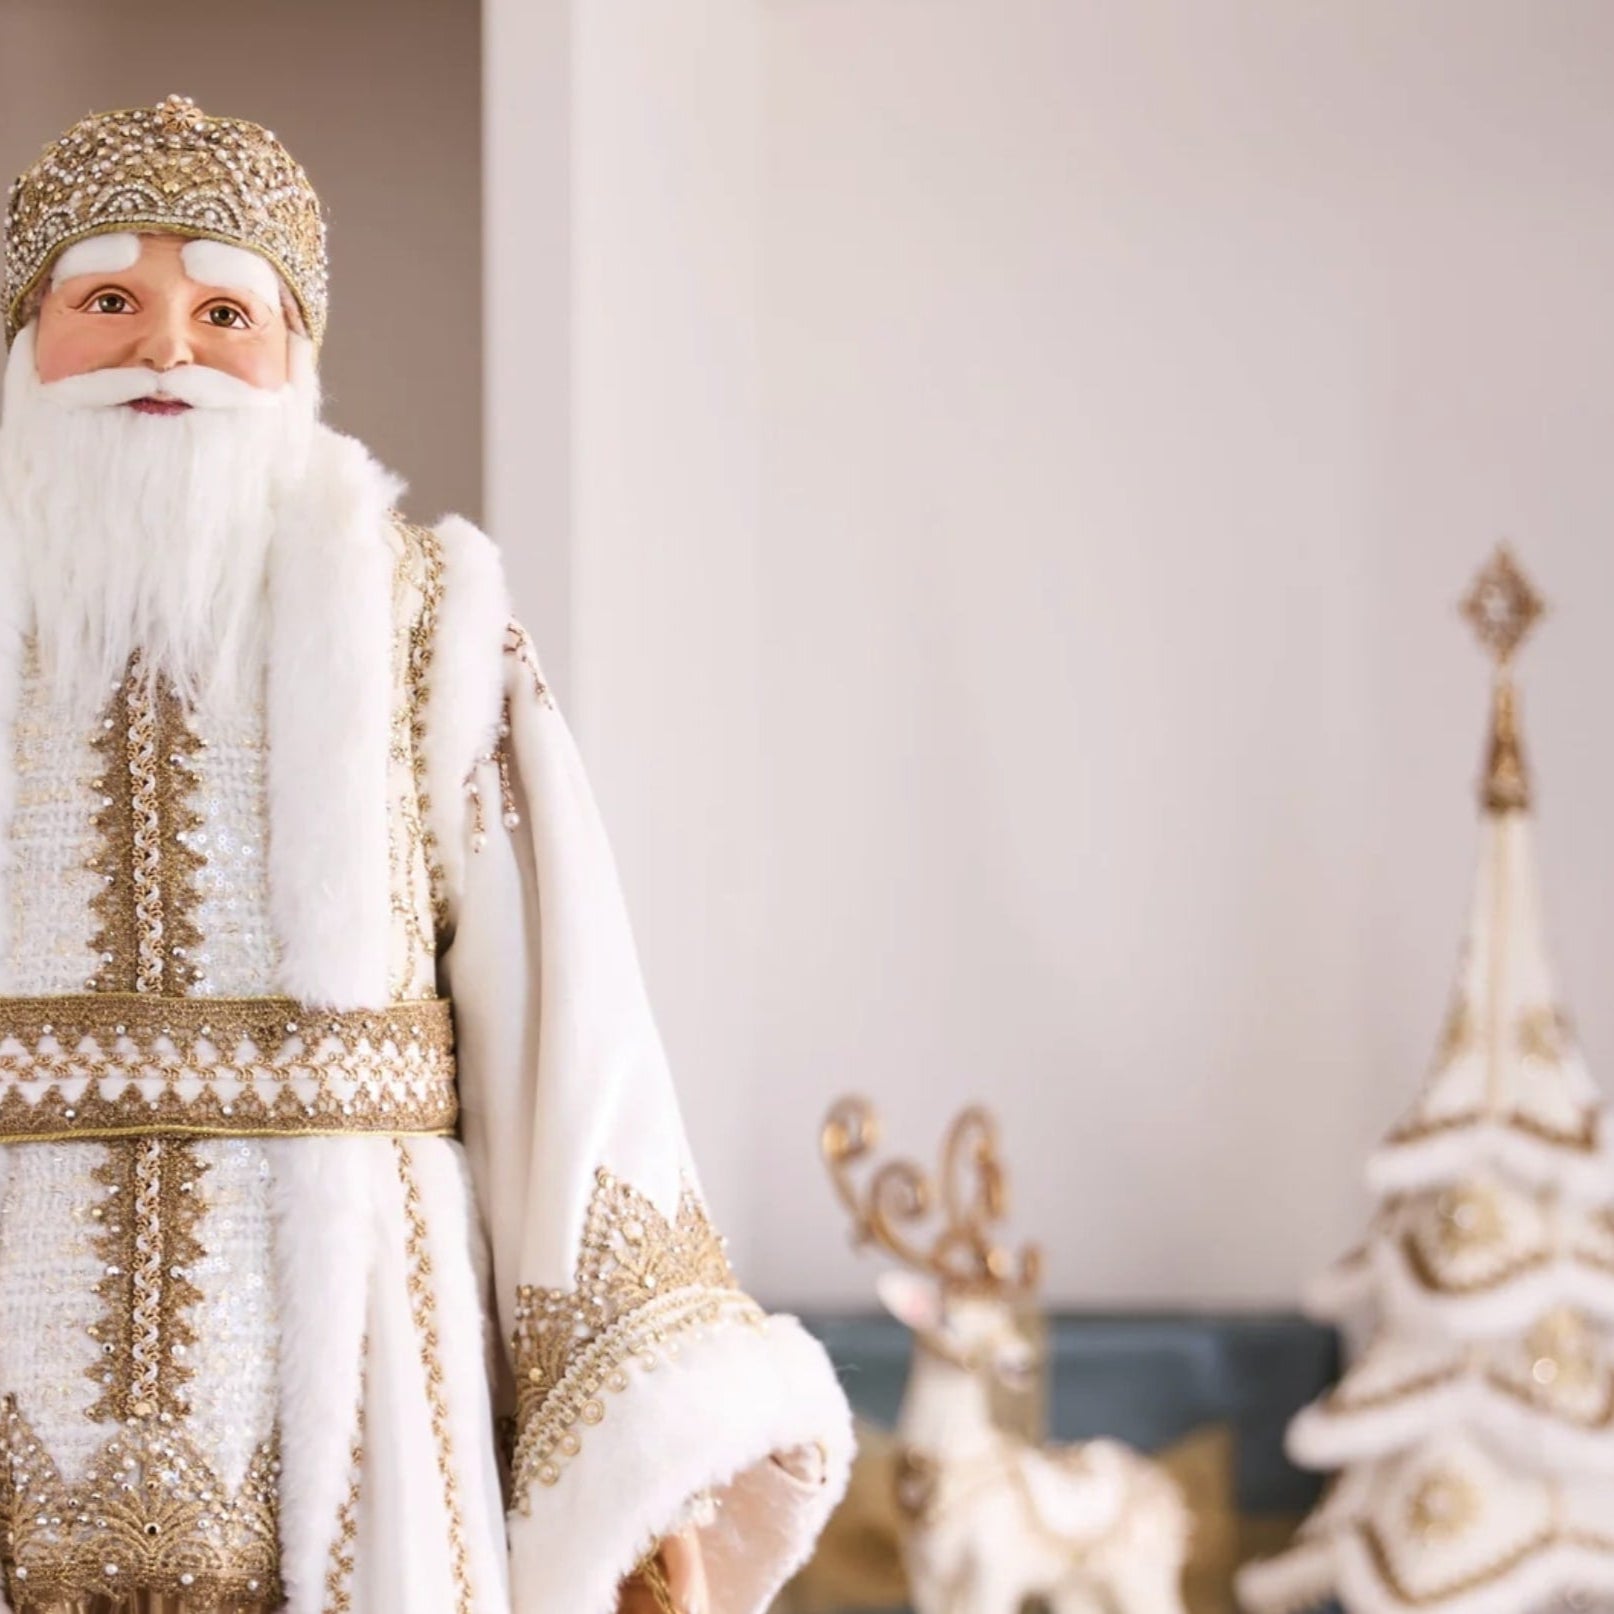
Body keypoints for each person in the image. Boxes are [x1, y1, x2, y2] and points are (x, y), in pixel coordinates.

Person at [0, 94, 850, 1614]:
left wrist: (633, 1447)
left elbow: (565, 1004)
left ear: (295, 352)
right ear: (26, 330)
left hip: (357, 1343)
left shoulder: (422, 617)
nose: (167, 350)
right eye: (110, 300)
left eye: (223, 311)